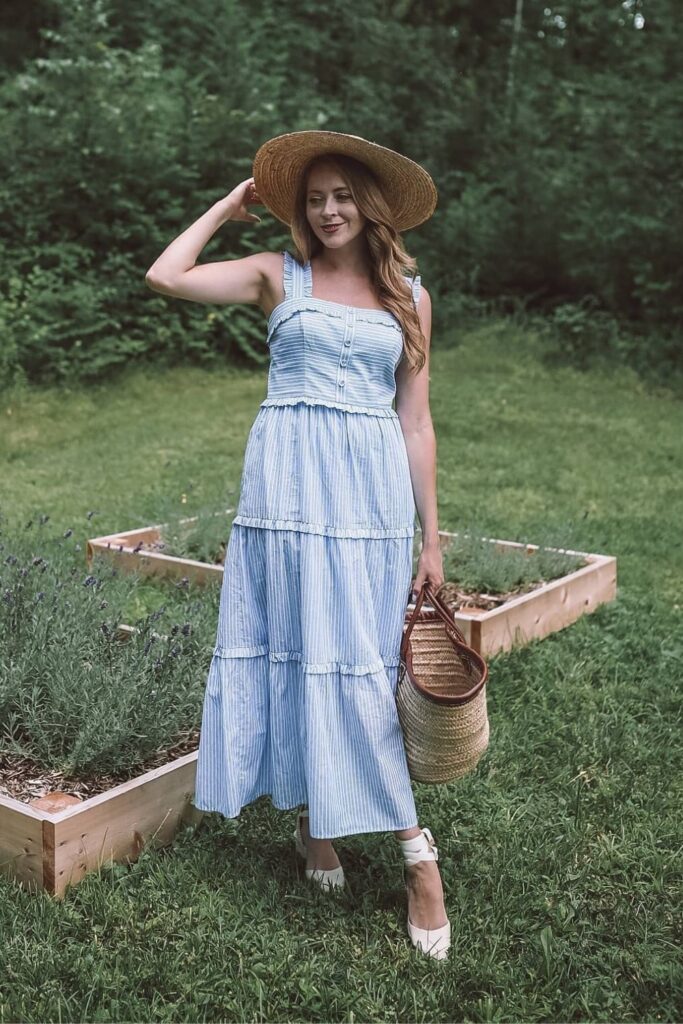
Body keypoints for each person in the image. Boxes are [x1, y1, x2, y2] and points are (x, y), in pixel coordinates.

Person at [145, 130, 450, 960]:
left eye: (342, 195)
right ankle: (318, 819)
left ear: (370, 204)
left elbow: (414, 421)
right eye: (312, 198)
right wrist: (227, 205)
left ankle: (416, 856)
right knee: (294, 646)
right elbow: (165, 275)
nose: (327, 210)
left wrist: (433, 539)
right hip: (284, 492)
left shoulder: (409, 296)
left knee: (357, 662)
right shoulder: (278, 277)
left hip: (369, 496)